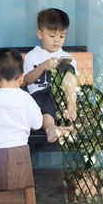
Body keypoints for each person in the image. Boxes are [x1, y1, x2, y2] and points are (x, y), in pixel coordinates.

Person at [24, 8, 78, 143]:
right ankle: (51, 128)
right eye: (52, 36)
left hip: (59, 98)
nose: (57, 41)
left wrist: (71, 100)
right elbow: (27, 80)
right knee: (45, 105)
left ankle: (71, 108)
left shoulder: (67, 57)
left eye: (62, 36)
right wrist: (43, 67)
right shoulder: (32, 56)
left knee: (67, 71)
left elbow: (73, 82)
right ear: (40, 34)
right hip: (38, 96)